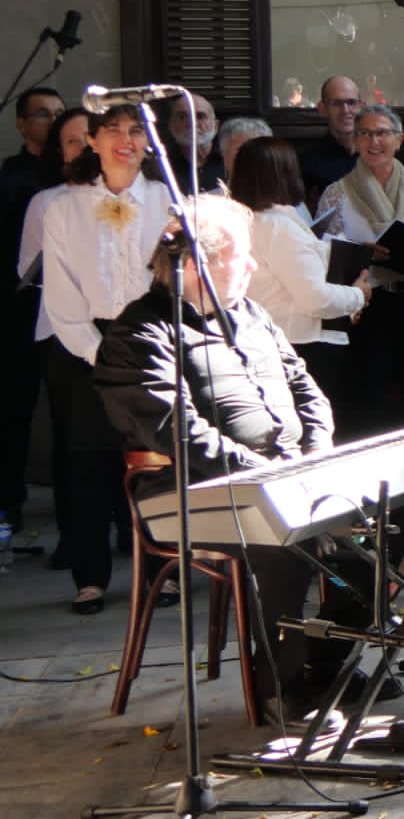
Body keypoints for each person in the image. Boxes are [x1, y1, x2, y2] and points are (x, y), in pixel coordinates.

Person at [93, 194, 378, 722]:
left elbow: (306, 389)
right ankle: (282, 685)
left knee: (382, 526)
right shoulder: (138, 333)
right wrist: (265, 473)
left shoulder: (250, 314)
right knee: (284, 538)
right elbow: (177, 433)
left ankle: (325, 663)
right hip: (185, 490)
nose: (251, 266)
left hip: (287, 473)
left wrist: (315, 455)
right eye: (242, 255)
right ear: (200, 262)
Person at [40, 103, 175, 613]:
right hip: (88, 347)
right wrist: (106, 356)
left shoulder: (169, 201)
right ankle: (90, 575)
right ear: (92, 140)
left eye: (136, 131)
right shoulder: (64, 207)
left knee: (159, 464)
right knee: (88, 466)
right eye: (113, 130)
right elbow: (62, 296)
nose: (126, 139)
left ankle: (163, 567)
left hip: (157, 345)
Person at [314, 104, 404, 437]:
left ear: (399, 139)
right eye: (364, 133)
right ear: (355, 140)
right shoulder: (337, 192)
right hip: (365, 302)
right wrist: (363, 253)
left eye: (382, 132)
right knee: (366, 391)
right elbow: (323, 252)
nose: (374, 141)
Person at [232, 137, 370, 402]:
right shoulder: (278, 227)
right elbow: (314, 298)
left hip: (271, 342)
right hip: (301, 347)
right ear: (285, 173)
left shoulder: (248, 220)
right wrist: (358, 295)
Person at [1, 87, 67, 528]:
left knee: (71, 418)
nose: (52, 121)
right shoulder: (13, 177)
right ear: (22, 124)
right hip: (21, 307)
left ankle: (77, 517)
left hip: (70, 308)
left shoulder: (76, 175)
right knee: (14, 410)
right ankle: (9, 507)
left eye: (59, 114)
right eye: (42, 114)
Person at [298, 75, 361, 205]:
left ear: (361, 106)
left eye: (351, 102)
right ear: (322, 108)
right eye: (336, 103)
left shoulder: (376, 157)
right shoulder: (307, 163)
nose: (345, 110)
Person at [163, 91, 221, 193]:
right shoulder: (160, 166)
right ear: (170, 125)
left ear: (216, 126)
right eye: (182, 117)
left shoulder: (230, 160)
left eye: (200, 116)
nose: (191, 123)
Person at [215, 116, 272, 188]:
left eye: (258, 149)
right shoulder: (210, 198)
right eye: (242, 149)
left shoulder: (285, 196)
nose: (250, 155)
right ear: (223, 153)